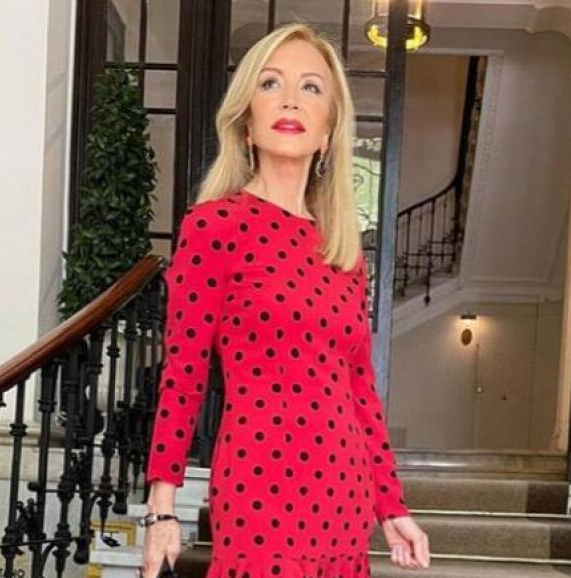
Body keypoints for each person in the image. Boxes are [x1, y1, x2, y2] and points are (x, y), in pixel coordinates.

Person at [140, 22, 431, 578]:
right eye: (271, 83)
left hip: (344, 495)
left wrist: (391, 508)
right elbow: (183, 375)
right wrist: (162, 510)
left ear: (328, 132)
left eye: (311, 87)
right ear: (247, 121)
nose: (291, 99)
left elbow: (361, 392)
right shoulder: (214, 227)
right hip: (259, 488)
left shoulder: (343, 251)